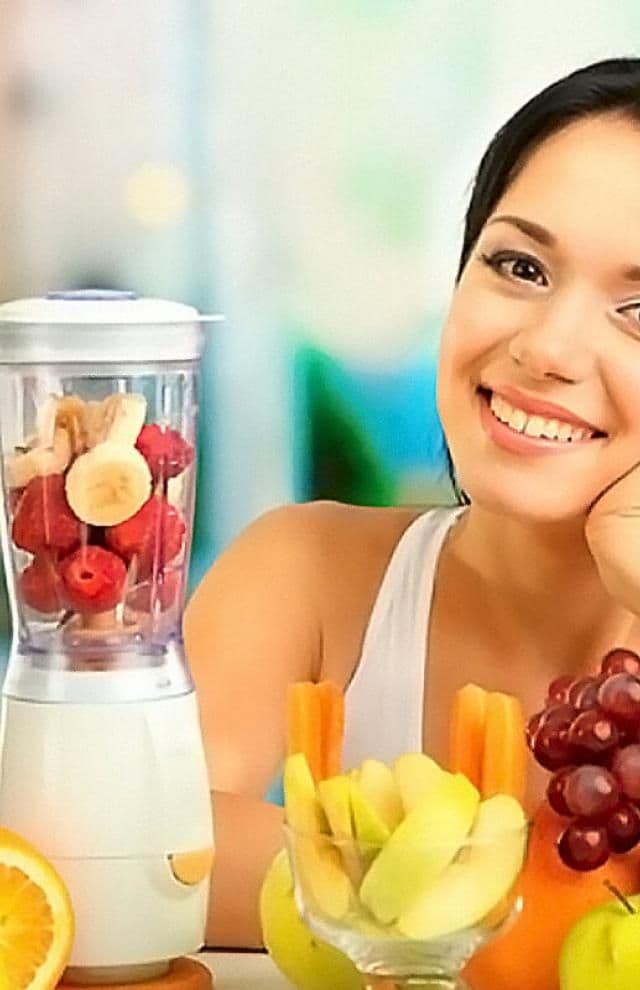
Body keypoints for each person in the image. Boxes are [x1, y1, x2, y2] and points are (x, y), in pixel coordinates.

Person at [184, 56, 640, 948]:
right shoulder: (310, 573)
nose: (546, 348)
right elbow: (132, 848)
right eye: (520, 265)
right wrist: (535, 913)